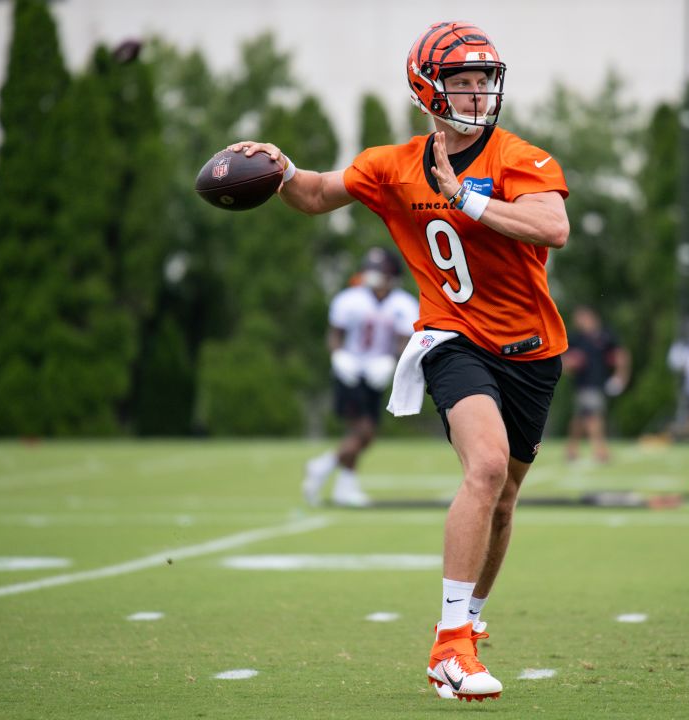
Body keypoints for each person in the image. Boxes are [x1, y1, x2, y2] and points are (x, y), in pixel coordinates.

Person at [229, 20, 569, 702]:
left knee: (504, 502)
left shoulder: (522, 158)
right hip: (451, 338)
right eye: (462, 81)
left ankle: (467, 627)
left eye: (483, 80)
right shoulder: (391, 165)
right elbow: (319, 195)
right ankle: (448, 647)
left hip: (533, 350)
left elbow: (551, 226)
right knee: (487, 466)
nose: (476, 93)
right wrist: (282, 169)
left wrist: (469, 197)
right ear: (428, 89)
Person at [302, 247, 418, 507]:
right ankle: (322, 467)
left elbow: (403, 340)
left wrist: (391, 360)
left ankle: (344, 484)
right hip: (351, 371)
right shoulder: (349, 299)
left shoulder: (403, 304)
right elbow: (334, 334)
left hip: (377, 371)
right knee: (363, 431)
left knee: (364, 432)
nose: (374, 278)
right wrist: (338, 357)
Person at [563, 305, 630, 463]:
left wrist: (620, 377)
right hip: (583, 384)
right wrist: (571, 364)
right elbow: (563, 361)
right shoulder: (575, 338)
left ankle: (571, 450)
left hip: (598, 383)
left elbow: (621, 355)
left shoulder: (605, 336)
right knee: (592, 415)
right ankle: (599, 451)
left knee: (582, 417)